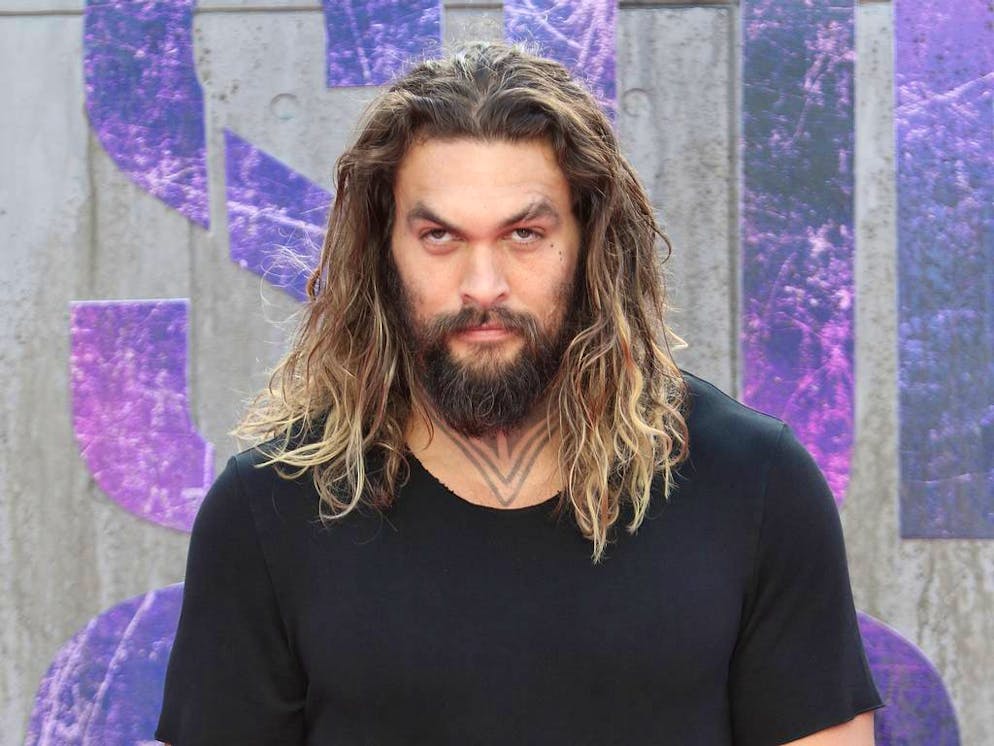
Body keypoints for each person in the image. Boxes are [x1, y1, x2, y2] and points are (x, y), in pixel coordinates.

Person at [156, 42, 881, 745]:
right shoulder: (270, 513)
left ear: (591, 240)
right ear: (383, 251)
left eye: (525, 234)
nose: (483, 286)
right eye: (440, 237)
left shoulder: (752, 486)